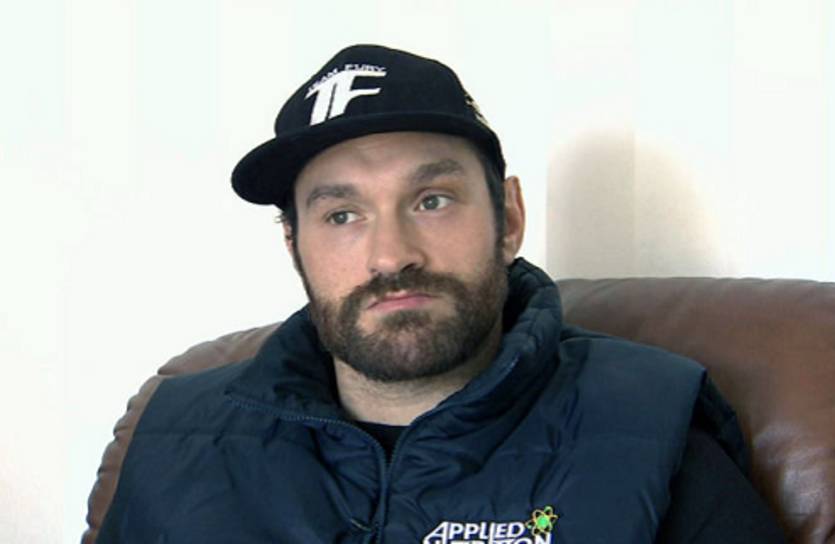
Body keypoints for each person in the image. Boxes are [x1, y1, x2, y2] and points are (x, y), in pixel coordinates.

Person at [96, 44, 785, 543]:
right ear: (293, 246)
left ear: (507, 219)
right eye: (342, 215)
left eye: (431, 200)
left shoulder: (649, 424)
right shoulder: (175, 435)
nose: (391, 254)